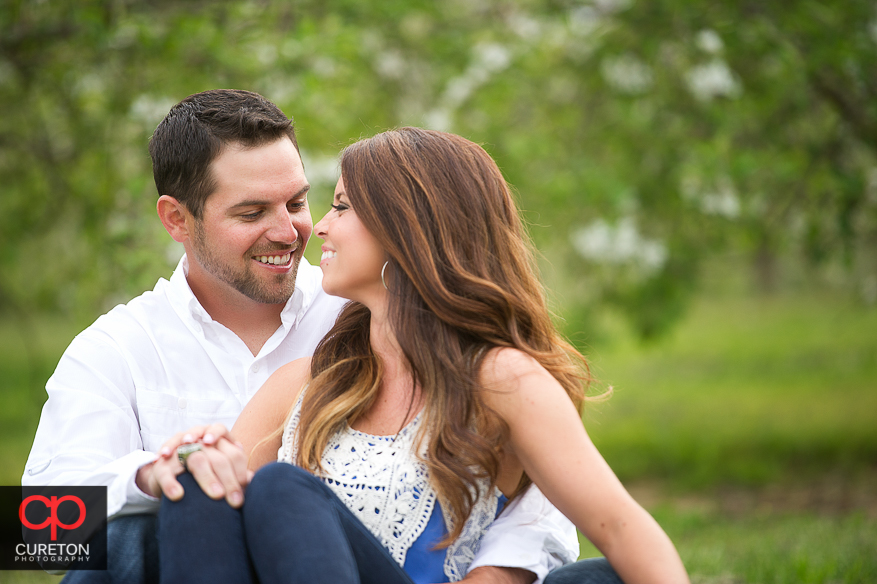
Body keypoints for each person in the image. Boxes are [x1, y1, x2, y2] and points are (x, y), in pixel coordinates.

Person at [22, 91, 578, 584]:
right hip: (193, 561)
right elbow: (32, 538)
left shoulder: (366, 305)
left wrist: (494, 575)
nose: (289, 233)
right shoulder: (116, 348)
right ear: (177, 220)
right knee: (132, 539)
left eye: (296, 202)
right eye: (251, 212)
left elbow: (542, 483)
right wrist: (149, 476)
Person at [156, 128, 690, 584]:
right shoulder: (306, 382)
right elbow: (189, 514)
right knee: (196, 478)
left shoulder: (500, 378)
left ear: (406, 228)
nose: (317, 226)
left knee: (279, 487)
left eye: (341, 206)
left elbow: (618, 526)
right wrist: (190, 458)